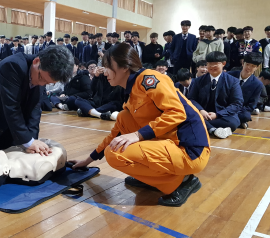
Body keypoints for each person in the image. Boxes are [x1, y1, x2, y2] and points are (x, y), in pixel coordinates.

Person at [71, 43, 210, 207]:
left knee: (115, 154)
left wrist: (138, 135)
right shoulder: (132, 91)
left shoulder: (149, 79)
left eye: (107, 66)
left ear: (124, 66)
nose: (103, 71)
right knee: (123, 118)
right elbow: (116, 133)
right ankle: (157, 179)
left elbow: (177, 112)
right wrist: (88, 160)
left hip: (191, 151)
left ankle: (181, 182)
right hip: (173, 144)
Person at [188, 51, 243, 139]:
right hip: (203, 114)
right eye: (209, 64)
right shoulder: (198, 81)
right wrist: (201, 110)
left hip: (222, 116)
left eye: (216, 64)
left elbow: (237, 103)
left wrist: (217, 114)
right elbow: (191, 99)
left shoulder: (233, 81)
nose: (212, 66)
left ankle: (203, 126)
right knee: (188, 116)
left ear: (223, 63)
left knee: (233, 123)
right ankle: (213, 130)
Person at [228, 52, 264, 129]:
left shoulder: (257, 84)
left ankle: (233, 119)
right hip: (224, 105)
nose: (248, 68)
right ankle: (237, 121)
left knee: (246, 116)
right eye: (247, 64)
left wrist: (234, 110)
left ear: (257, 67)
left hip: (240, 110)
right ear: (243, 63)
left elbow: (251, 105)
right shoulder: (229, 75)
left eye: (253, 66)